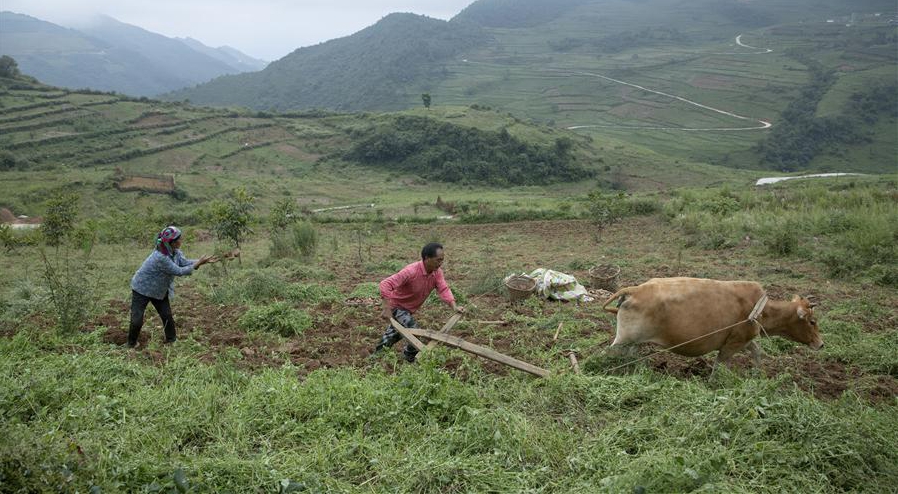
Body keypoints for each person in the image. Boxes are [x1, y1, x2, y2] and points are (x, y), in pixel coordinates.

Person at [374, 242, 465, 362]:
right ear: (427, 258)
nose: (440, 263)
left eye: (442, 260)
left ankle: (375, 358)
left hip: (408, 310)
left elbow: (443, 289)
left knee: (393, 335)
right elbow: (385, 284)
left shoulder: (437, 273)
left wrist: (454, 306)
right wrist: (386, 309)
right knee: (415, 333)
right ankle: (409, 359)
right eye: (438, 260)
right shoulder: (411, 271)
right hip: (397, 307)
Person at [127, 226, 217, 347]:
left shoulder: (174, 252)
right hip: (142, 289)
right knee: (137, 320)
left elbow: (184, 262)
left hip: (159, 290)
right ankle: (131, 344)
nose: (181, 240)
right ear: (172, 242)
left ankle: (171, 341)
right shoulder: (161, 257)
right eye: (179, 239)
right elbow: (179, 271)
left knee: (167, 315)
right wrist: (198, 263)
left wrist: (202, 261)